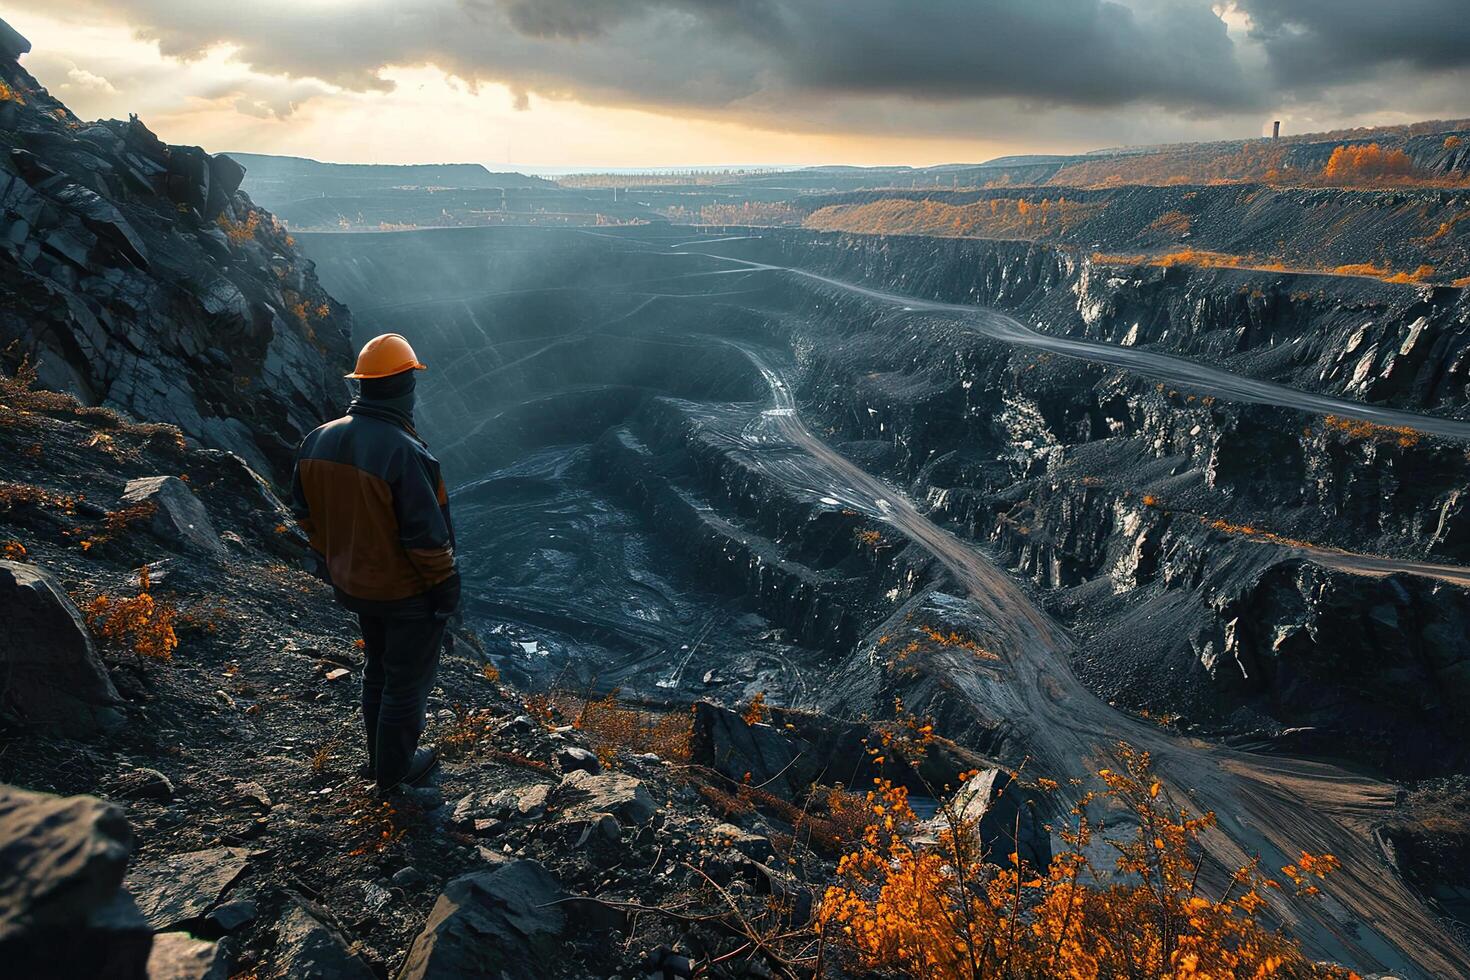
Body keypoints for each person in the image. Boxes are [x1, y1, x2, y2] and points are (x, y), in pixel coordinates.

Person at [290, 333, 461, 794]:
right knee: (406, 685)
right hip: (406, 592)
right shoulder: (405, 451)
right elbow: (426, 538)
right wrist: (446, 590)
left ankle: (379, 761)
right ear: (406, 383)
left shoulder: (317, 440)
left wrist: (340, 556)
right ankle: (394, 774)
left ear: (363, 385)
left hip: (356, 586)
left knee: (379, 672)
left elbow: (305, 516)